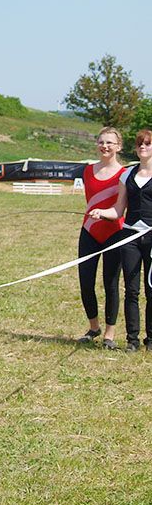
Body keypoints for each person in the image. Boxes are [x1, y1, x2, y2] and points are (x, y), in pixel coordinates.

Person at [89, 128, 152, 353]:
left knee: (151, 288)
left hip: (151, 237)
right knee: (132, 290)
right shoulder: (127, 175)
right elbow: (118, 209)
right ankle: (132, 340)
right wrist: (101, 213)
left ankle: (150, 339)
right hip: (130, 237)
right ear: (135, 149)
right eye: (139, 144)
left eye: (147, 144)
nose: (143, 147)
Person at [75, 128, 124, 348]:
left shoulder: (124, 174)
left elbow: (121, 207)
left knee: (110, 283)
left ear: (118, 146)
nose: (105, 146)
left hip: (114, 233)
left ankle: (109, 334)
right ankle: (93, 327)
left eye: (110, 143)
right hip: (89, 232)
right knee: (86, 282)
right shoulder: (87, 171)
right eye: (101, 142)